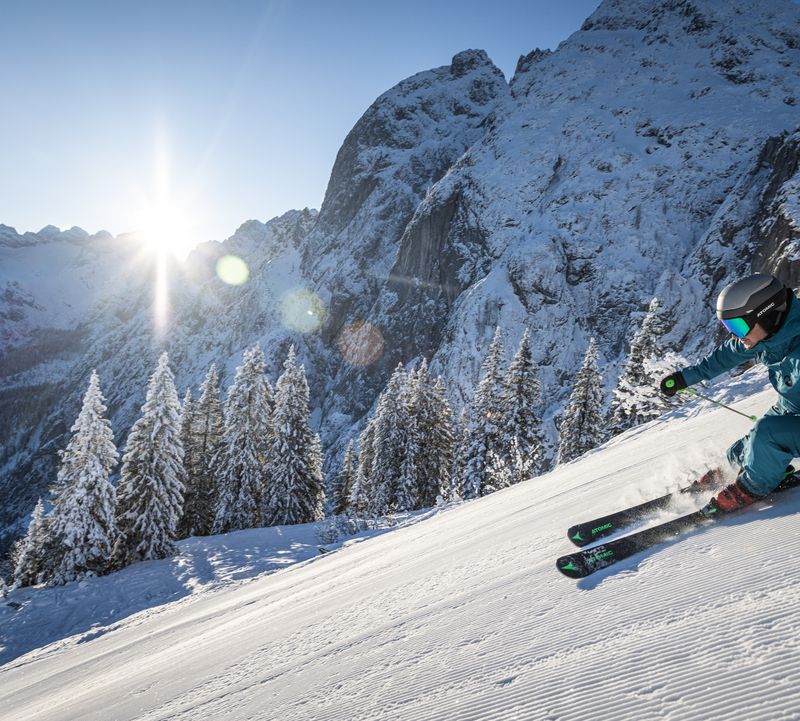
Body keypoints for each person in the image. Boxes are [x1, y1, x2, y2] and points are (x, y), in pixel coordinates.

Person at [660, 273, 798, 516]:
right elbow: (727, 355)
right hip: (793, 406)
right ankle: (732, 469)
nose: (735, 334)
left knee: (768, 435)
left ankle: (751, 488)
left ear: (767, 314)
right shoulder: (770, 336)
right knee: (747, 446)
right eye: (729, 327)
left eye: (738, 326)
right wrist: (684, 378)